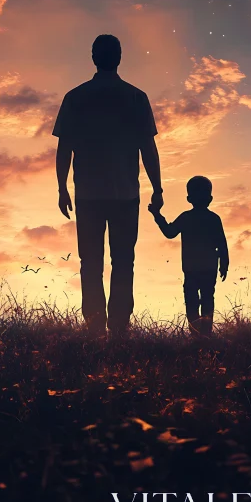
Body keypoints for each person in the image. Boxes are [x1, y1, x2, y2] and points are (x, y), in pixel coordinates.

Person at [52, 34, 163, 336]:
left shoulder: (76, 97)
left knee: (90, 261)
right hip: (125, 194)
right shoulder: (136, 97)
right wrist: (158, 187)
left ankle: (94, 328)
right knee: (123, 260)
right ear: (119, 57)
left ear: (93, 57)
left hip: (87, 193)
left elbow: (65, 148)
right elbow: (148, 148)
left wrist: (62, 188)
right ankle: (118, 328)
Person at [149, 176, 228, 337]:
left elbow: (170, 232)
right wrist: (224, 264)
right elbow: (222, 244)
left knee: (192, 301)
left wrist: (157, 215)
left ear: (188, 198)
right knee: (207, 299)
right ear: (210, 198)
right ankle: (204, 334)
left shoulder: (187, 217)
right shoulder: (213, 219)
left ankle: (197, 335)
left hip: (192, 269)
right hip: (208, 268)